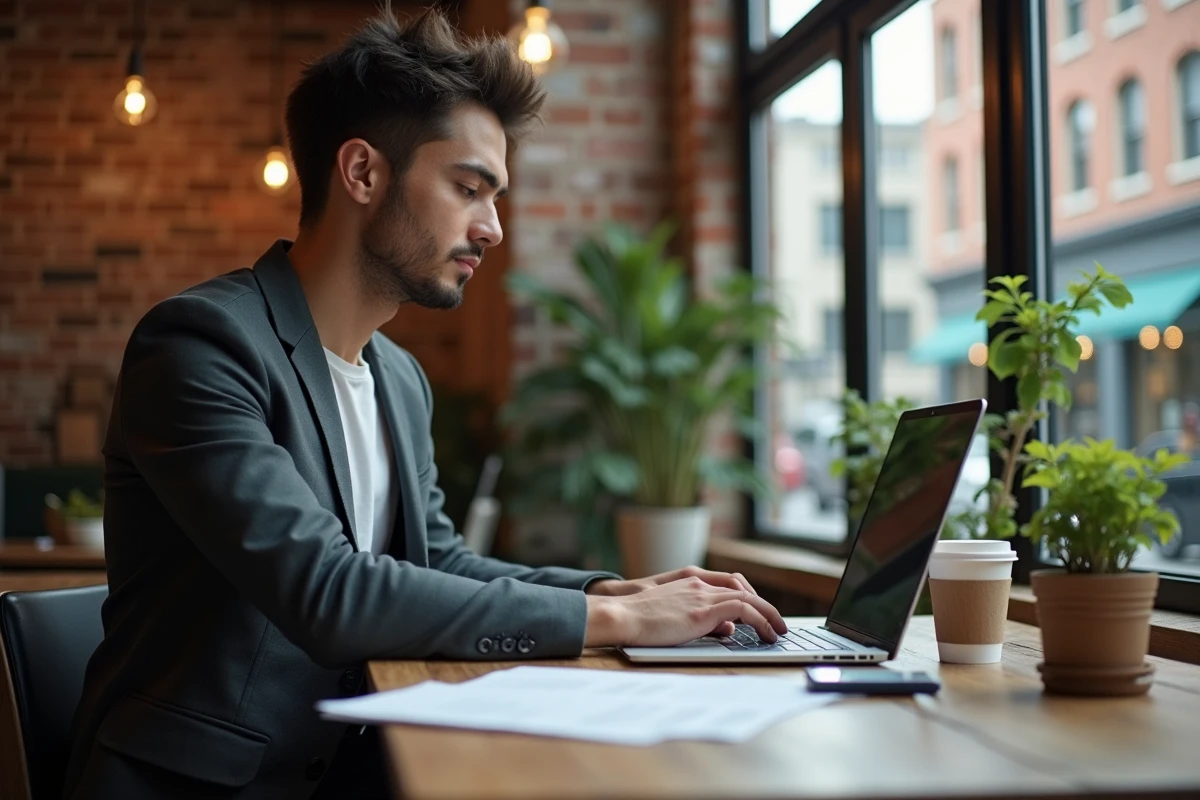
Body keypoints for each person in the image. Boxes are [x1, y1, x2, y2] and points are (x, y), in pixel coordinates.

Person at [62, 6, 785, 799]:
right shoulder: (200, 345)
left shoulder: (399, 378)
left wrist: (606, 590)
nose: (494, 229)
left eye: (497, 196)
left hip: (358, 765)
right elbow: (326, 591)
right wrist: (617, 626)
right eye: (469, 188)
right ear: (363, 173)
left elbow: (437, 562)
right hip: (200, 785)